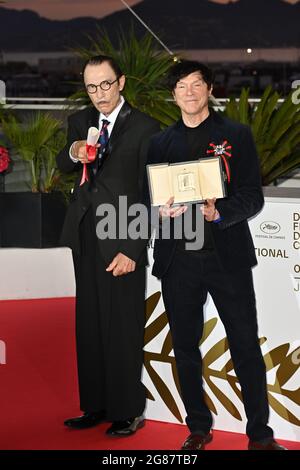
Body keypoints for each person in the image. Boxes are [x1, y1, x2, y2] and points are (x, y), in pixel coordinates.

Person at [146, 60, 287, 450]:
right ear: (172, 95)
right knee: (186, 349)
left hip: (228, 259)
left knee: (244, 345)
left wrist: (220, 211)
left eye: (196, 84)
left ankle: (259, 434)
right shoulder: (159, 143)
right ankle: (198, 427)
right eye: (181, 86)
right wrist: (161, 210)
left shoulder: (236, 135)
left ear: (209, 89)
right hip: (178, 262)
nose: (188, 92)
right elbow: (149, 199)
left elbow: (251, 196)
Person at [57, 55, 160, 436]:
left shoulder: (148, 129)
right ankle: (95, 405)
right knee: (90, 325)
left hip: (122, 235)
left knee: (123, 327)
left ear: (121, 82)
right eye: (91, 87)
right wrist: (72, 152)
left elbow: (151, 195)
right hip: (84, 233)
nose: (99, 94)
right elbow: (62, 162)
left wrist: (133, 248)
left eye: (105, 84)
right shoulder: (79, 122)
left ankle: (127, 409)